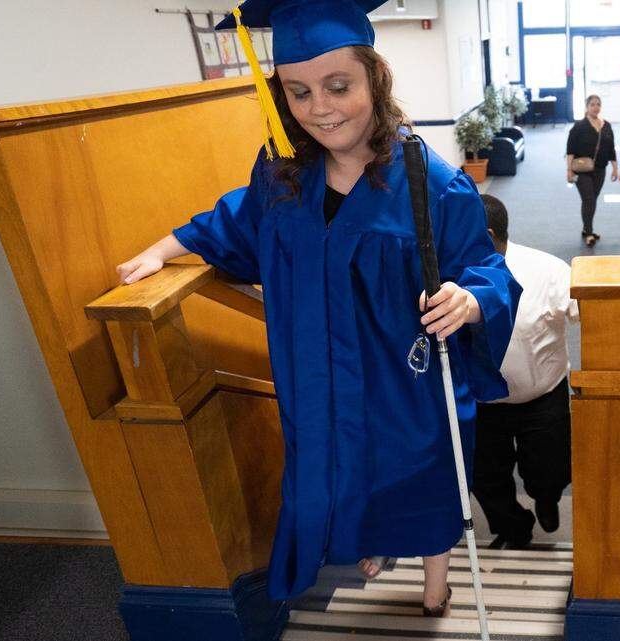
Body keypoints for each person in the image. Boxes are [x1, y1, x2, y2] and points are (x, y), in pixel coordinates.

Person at [114, 0, 521, 614]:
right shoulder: (282, 175)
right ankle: (371, 546)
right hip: (319, 375)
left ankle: (437, 581)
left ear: (375, 80)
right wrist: (163, 248)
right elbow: (236, 220)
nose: (320, 108)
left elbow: (486, 268)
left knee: (424, 475)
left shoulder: (429, 181)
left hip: (401, 377)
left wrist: (471, 299)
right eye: (298, 92)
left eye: (339, 86)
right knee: (332, 474)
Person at [474, 195, 620, 549]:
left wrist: (617, 311)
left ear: (488, 235)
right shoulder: (453, 271)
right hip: (482, 401)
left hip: (541, 397)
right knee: (486, 479)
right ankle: (514, 527)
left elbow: (586, 304)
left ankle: (546, 498)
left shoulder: (546, 271)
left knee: (549, 473)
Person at [565, 95, 618, 247]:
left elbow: (611, 149)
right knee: (589, 200)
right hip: (582, 171)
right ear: (587, 107)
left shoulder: (606, 126)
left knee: (592, 200)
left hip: (601, 169)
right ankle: (589, 232)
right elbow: (570, 150)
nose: (596, 107)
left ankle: (586, 227)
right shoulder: (579, 126)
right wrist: (569, 170)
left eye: (598, 104)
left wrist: (615, 168)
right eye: (592, 104)